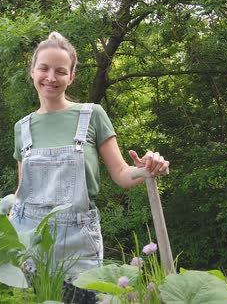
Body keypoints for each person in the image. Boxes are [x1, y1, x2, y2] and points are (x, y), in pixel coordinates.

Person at [9, 31, 170, 278]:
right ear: (32, 71)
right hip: (28, 240)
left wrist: (147, 167)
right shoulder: (23, 127)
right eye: (44, 68)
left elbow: (121, 174)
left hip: (78, 242)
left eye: (60, 71)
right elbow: (23, 191)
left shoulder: (92, 115)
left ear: (71, 77)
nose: (51, 77)